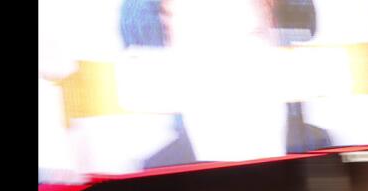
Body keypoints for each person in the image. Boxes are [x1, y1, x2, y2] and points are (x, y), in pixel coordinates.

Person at [118, 0, 333, 170]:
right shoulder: (157, 172)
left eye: (249, 37)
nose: (227, 66)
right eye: (200, 45)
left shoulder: (322, 149)